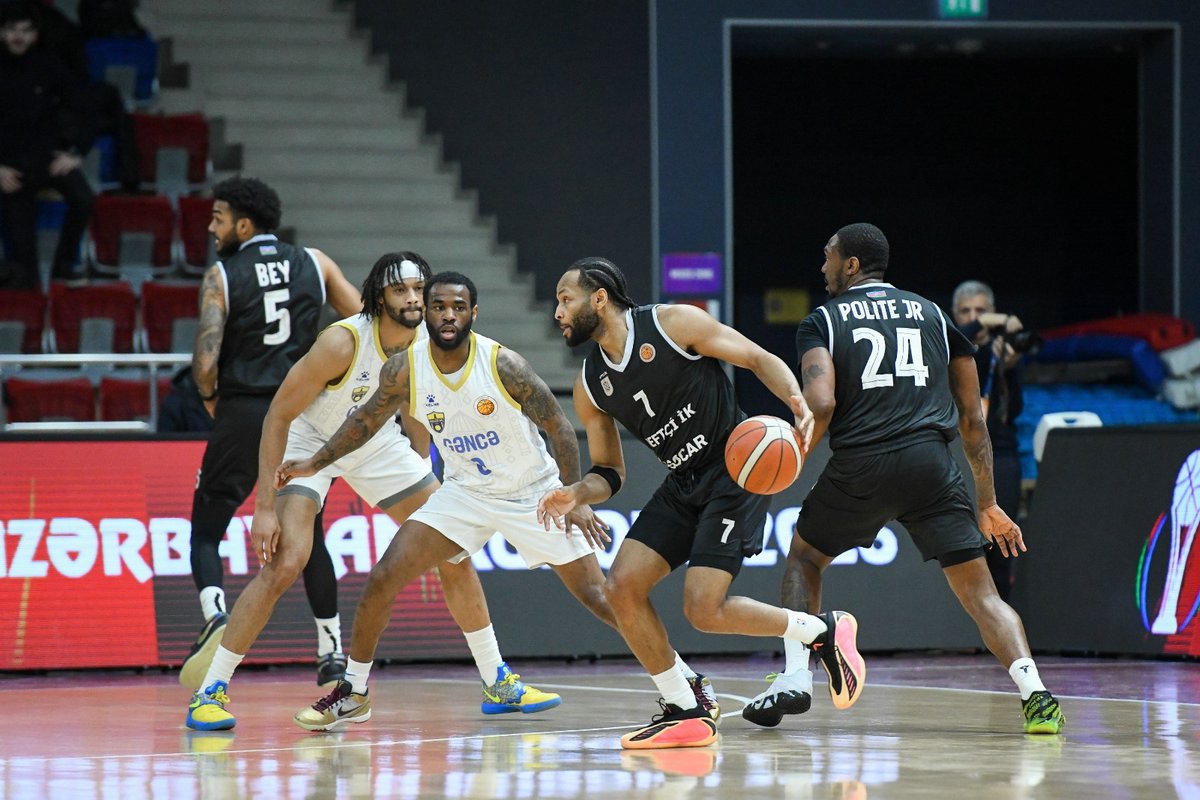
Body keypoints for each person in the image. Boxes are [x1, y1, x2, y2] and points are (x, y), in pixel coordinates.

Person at [276, 271, 715, 732]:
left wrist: (574, 494)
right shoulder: (404, 369)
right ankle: (354, 691)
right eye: (439, 306)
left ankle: (687, 681)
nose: (448, 315)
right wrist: (316, 461)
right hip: (464, 493)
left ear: (473, 313)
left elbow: (559, 427)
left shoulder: (503, 364)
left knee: (602, 597)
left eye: (458, 307)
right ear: (426, 313)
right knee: (384, 577)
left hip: (532, 492)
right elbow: (364, 420)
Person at [186, 253, 567, 730]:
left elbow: (420, 413)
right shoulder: (342, 342)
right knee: (286, 561)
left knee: (453, 552)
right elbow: (278, 415)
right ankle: (210, 691)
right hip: (309, 443)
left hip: (376, 445)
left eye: (418, 289)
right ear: (379, 296)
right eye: (400, 289)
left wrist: (428, 484)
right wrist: (263, 506)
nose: (412, 298)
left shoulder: (428, 340)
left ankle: (497, 682)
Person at [541, 257, 863, 750]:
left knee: (703, 609)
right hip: (683, 481)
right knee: (621, 588)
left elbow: (756, 357)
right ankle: (685, 706)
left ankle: (821, 629)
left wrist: (795, 399)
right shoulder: (591, 384)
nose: (558, 312)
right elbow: (609, 471)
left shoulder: (673, 324)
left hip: (735, 469)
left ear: (599, 299)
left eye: (566, 299)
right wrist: (578, 493)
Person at [757, 222, 1062, 735]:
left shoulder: (822, 320)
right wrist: (987, 502)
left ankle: (794, 678)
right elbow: (973, 419)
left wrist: (794, 456)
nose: (823, 266)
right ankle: (1037, 696)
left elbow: (822, 402)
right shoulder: (935, 315)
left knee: (805, 558)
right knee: (984, 596)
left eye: (828, 256)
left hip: (862, 463)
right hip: (931, 465)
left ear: (851, 264)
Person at [180, 176, 363, 692]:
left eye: (218, 219)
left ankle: (215, 616)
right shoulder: (317, 263)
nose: (211, 228)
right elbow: (364, 323)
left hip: (244, 410)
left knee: (207, 527)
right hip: (305, 413)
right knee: (310, 534)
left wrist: (214, 400)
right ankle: (331, 650)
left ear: (243, 225)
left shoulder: (222, 273)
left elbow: (205, 362)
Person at [0, 1, 95, 287]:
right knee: (26, 268)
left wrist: (76, 153)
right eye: (12, 29)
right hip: (10, 168)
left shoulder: (49, 65)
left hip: (47, 158)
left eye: (26, 30)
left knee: (83, 198)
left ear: (36, 33)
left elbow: (85, 108)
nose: (19, 36)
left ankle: (64, 265)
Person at [951, 280, 1026, 602]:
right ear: (954, 315)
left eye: (980, 311)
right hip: (956, 454)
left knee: (1000, 544)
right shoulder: (949, 346)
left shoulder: (1002, 352)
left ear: (993, 312)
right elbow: (959, 339)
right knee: (958, 545)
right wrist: (982, 323)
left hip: (1000, 453)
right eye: (965, 311)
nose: (973, 317)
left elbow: (1015, 409)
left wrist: (1010, 368)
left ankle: (1002, 617)